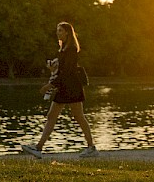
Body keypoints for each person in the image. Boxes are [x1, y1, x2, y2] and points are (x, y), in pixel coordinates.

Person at [22, 22, 98, 158]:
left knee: (78, 116)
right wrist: (53, 68)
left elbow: (67, 72)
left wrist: (50, 85)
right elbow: (62, 71)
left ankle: (91, 147)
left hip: (71, 88)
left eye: (60, 30)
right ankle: (38, 147)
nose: (58, 33)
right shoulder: (63, 50)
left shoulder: (71, 50)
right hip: (64, 87)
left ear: (67, 33)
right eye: (57, 30)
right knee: (52, 116)